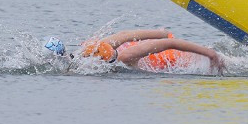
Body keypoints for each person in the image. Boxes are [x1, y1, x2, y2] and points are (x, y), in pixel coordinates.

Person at [45, 29, 226, 74]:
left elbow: (170, 44)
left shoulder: (125, 57)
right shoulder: (89, 49)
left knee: (232, 64)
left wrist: (210, 54)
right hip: (162, 52)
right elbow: (124, 35)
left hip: (183, 60)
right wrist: (160, 32)